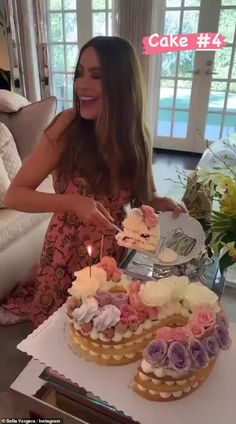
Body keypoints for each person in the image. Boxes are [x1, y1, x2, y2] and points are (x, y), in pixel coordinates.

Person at [0, 36, 186, 327]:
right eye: (80, 73)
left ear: (123, 84)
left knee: (104, 335)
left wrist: (165, 203)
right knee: (62, 337)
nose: (81, 85)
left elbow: (145, 196)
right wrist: (73, 202)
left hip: (111, 256)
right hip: (64, 258)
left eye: (96, 76)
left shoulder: (136, 135)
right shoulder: (67, 127)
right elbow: (15, 195)